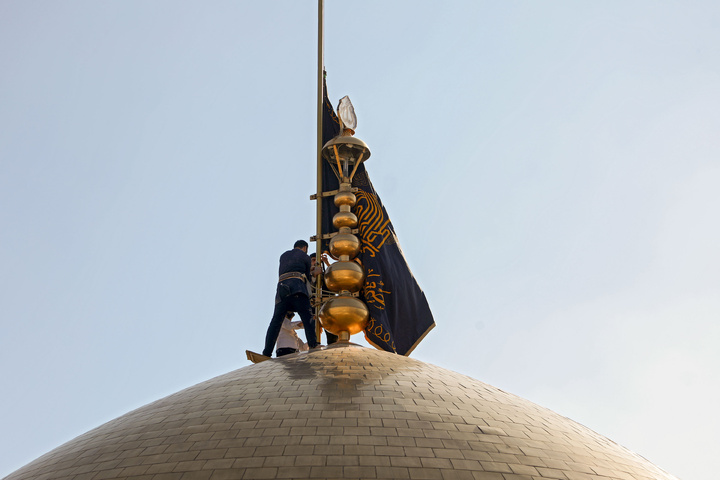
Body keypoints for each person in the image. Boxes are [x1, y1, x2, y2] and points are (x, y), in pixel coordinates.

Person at [262, 240, 319, 357]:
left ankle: (266, 352)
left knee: (275, 322)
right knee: (307, 317)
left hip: (282, 292)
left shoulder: (283, 255)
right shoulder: (305, 256)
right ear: (305, 248)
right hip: (298, 289)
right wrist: (314, 274)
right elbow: (307, 277)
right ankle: (313, 345)